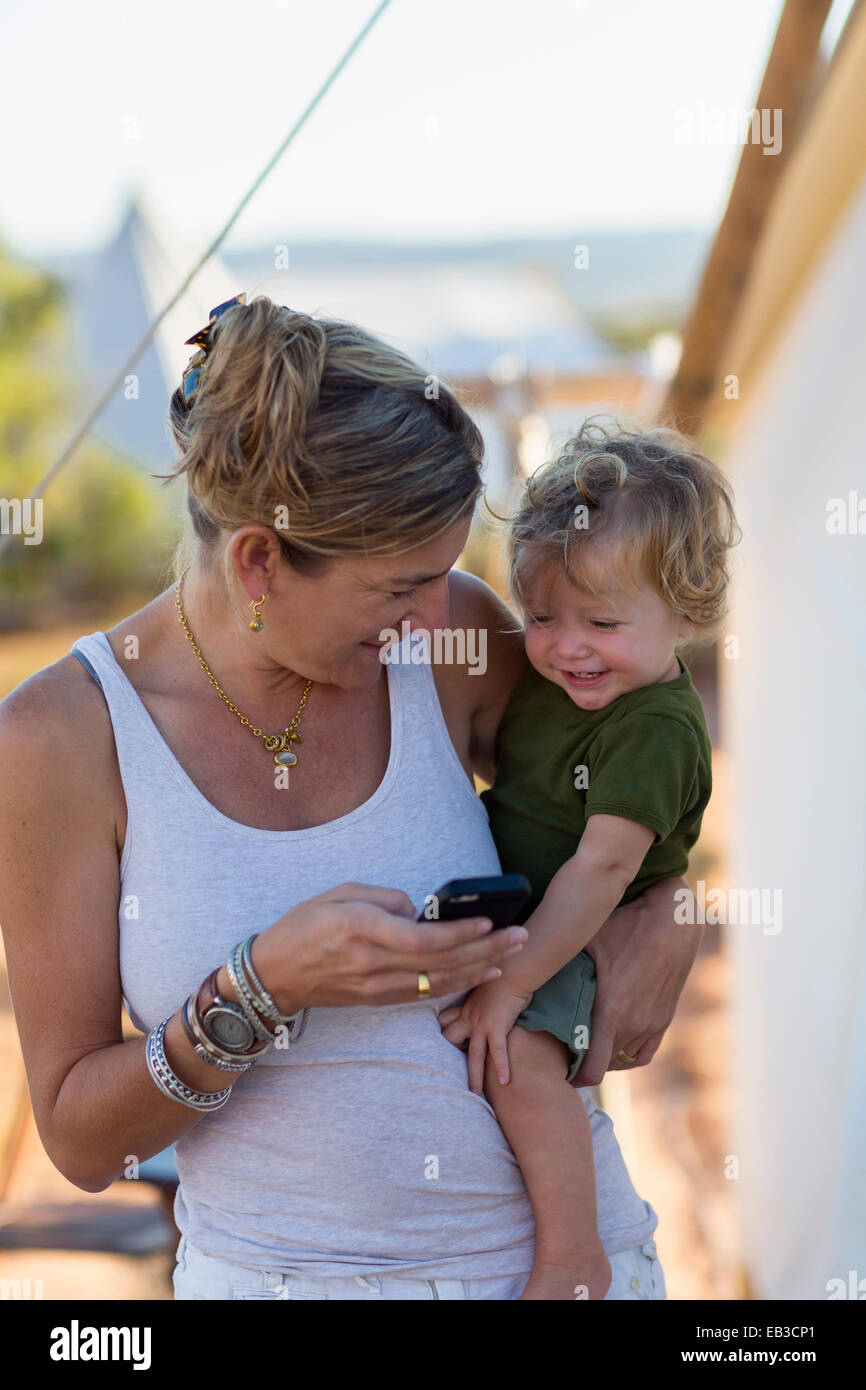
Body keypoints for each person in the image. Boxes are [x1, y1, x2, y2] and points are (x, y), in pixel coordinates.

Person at [0, 295, 698, 1300]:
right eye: (396, 588)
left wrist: (676, 907)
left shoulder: (449, 634)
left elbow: (638, 770)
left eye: (444, 574)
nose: (432, 616)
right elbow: (76, 1139)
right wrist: (261, 986)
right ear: (257, 561)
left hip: (574, 1269)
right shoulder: (62, 736)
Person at [441, 422, 739, 1299]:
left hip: (575, 930)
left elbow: (602, 872)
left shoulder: (654, 727)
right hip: (527, 907)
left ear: (687, 610)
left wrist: (513, 982)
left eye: (602, 622)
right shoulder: (567, 676)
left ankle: (574, 1256)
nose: (566, 645)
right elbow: (521, 769)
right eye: (541, 617)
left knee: (522, 1067)